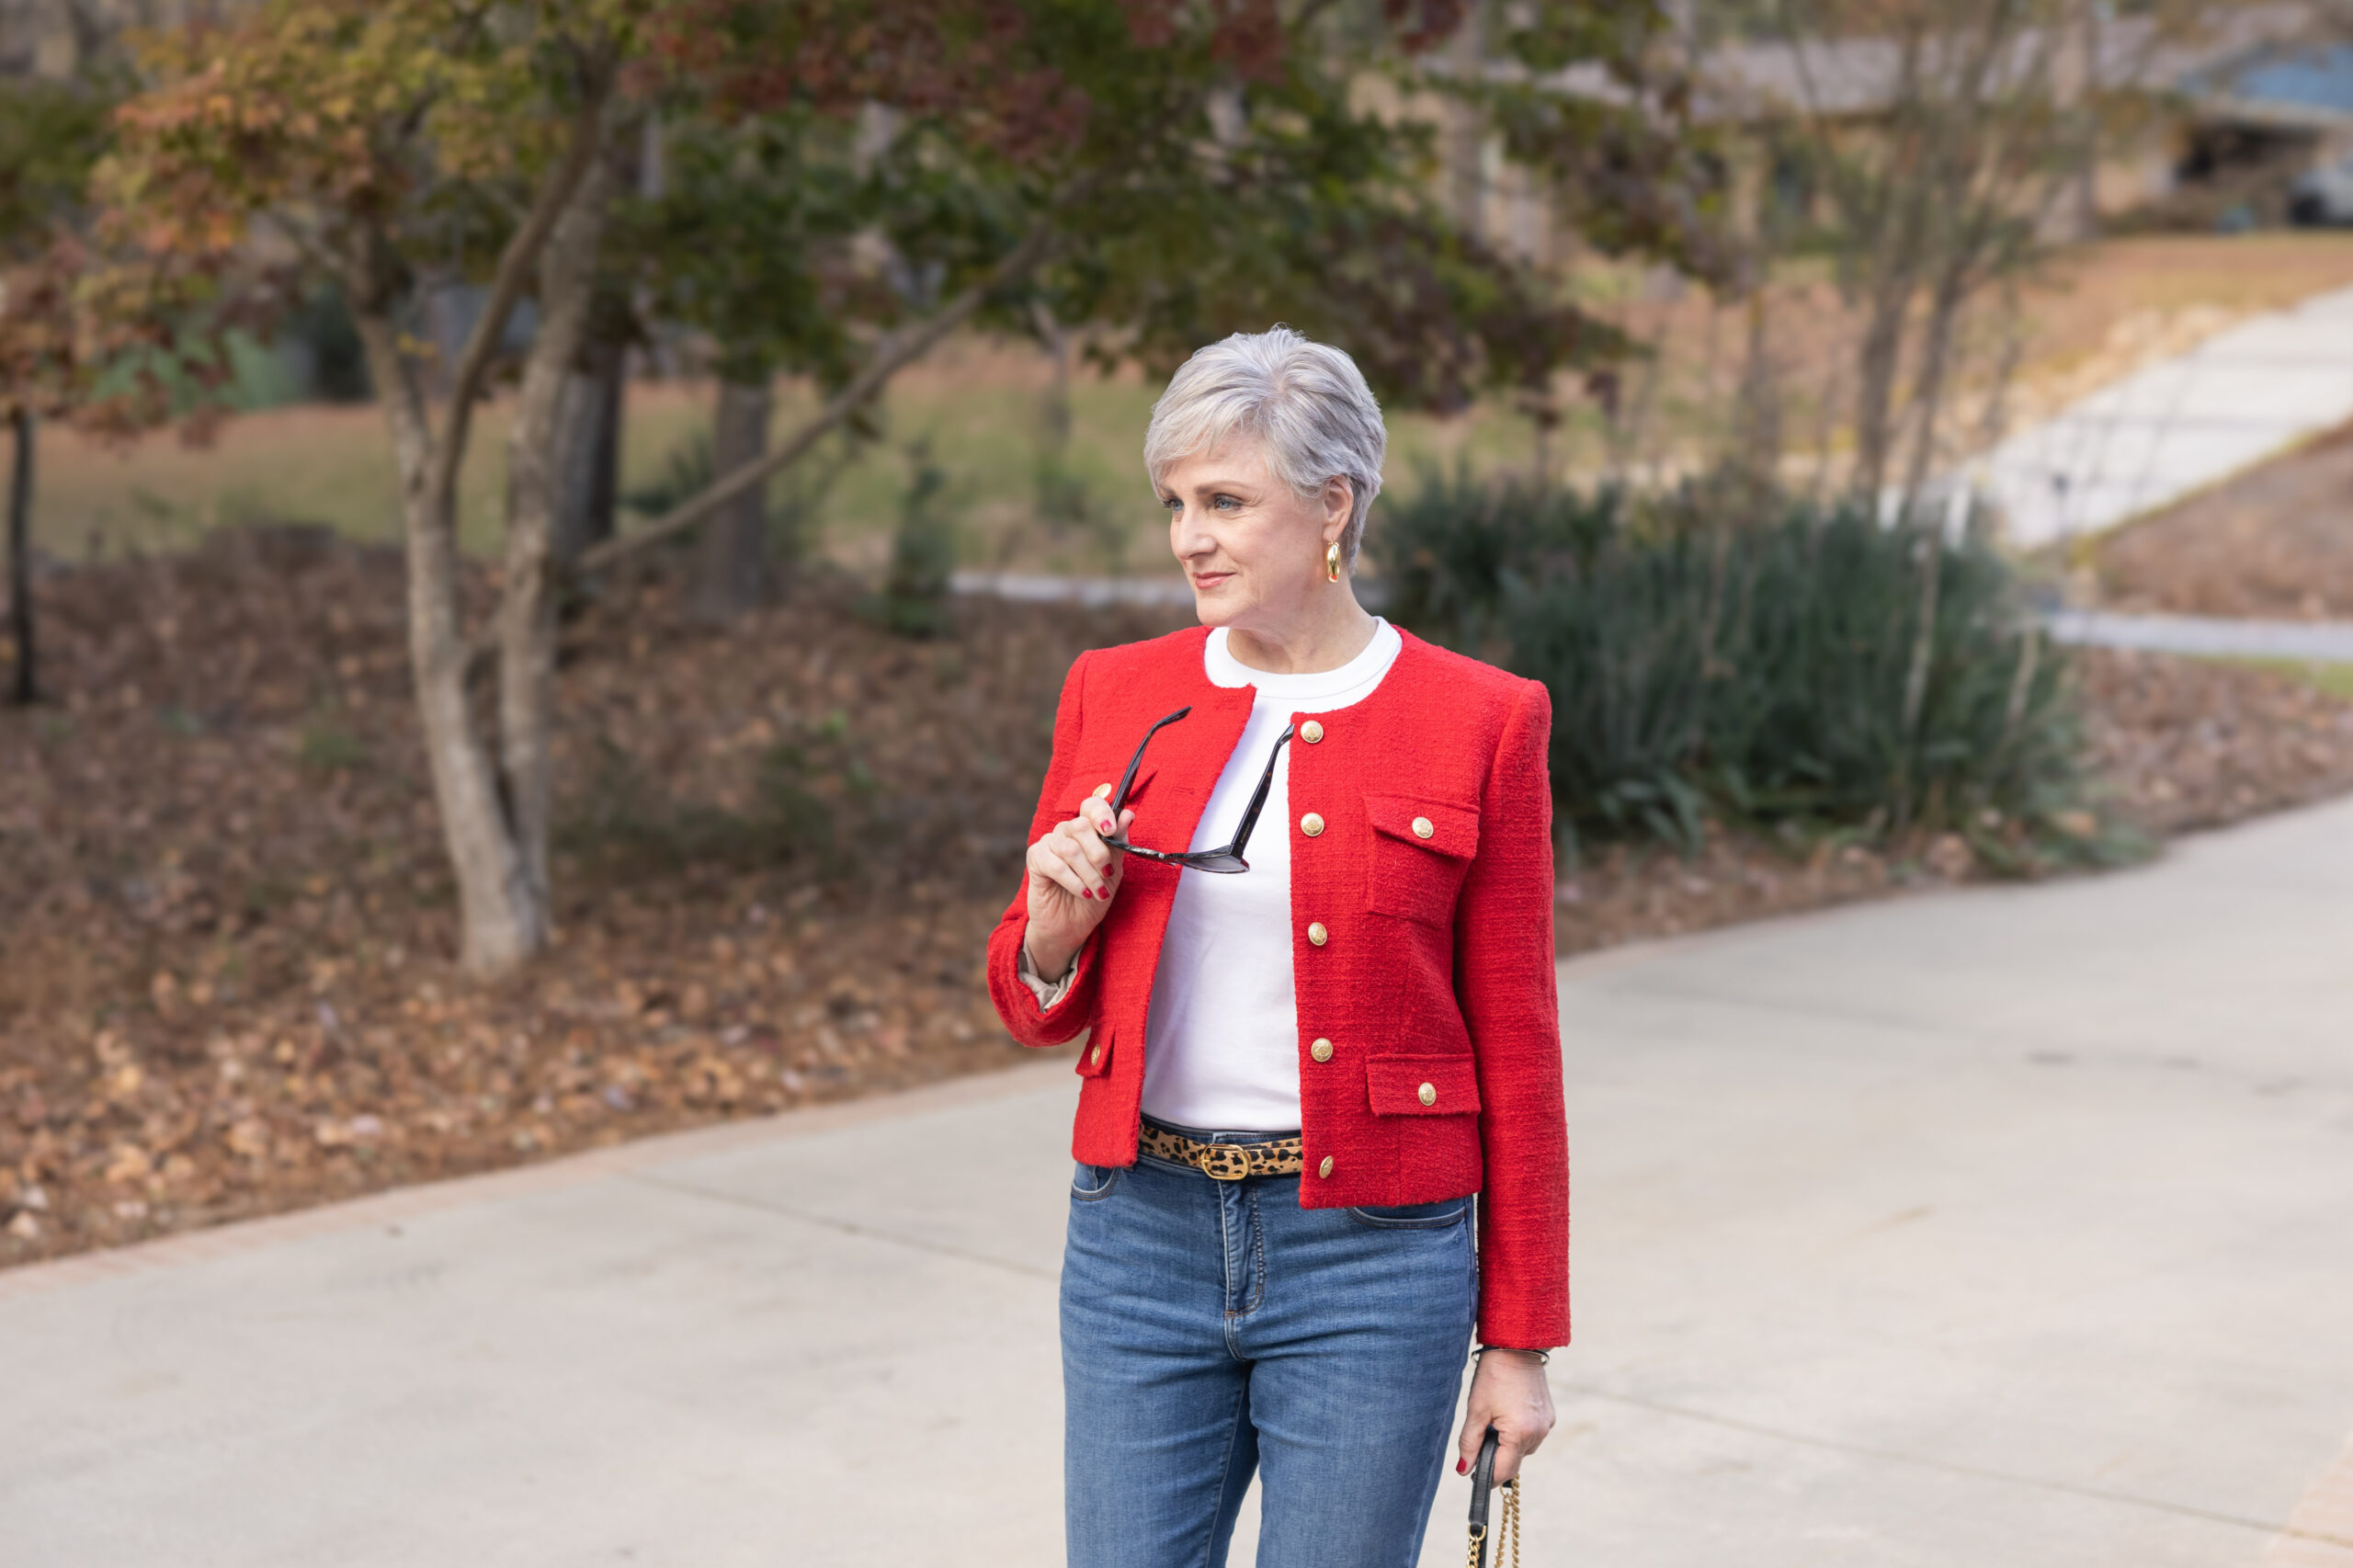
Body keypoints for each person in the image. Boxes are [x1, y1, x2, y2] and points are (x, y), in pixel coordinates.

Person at [986, 326, 1566, 1568]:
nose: (1189, 534)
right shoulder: (1114, 687)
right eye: (1177, 502)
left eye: (1226, 501)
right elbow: (1033, 999)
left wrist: (1517, 1342)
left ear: (1332, 508)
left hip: (1373, 1262)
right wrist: (1053, 926)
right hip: (1137, 1234)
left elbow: (1517, 1052)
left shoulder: (1483, 719)